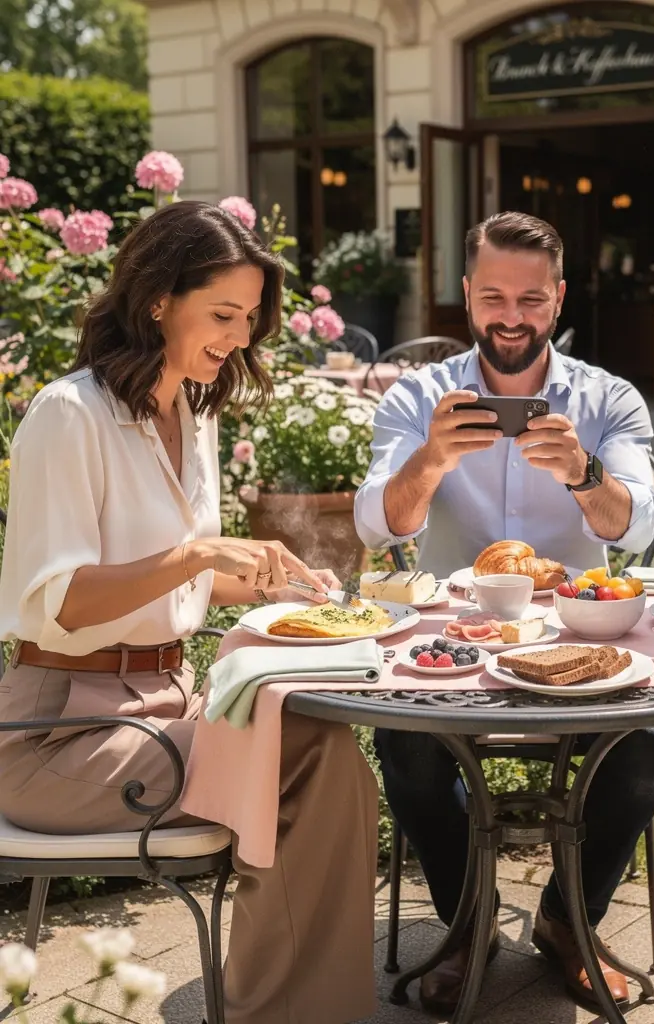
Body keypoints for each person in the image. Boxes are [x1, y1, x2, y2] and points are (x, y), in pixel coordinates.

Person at [0, 201, 379, 1024]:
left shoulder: (188, 411)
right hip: (57, 735)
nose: (239, 337)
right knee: (308, 758)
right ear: (156, 300)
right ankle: (286, 1012)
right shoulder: (69, 417)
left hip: (159, 708)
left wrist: (267, 579)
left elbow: (175, 589)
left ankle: (298, 1005)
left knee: (320, 739)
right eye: (223, 314)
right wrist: (203, 554)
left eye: (249, 318)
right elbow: (59, 605)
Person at [354, 211, 654, 1012]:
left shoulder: (608, 398)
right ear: (466, 295)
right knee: (406, 740)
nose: (510, 317)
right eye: (493, 296)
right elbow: (375, 522)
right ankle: (469, 919)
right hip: (449, 650)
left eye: (531, 299)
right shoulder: (421, 394)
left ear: (559, 298)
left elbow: (636, 522)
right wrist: (431, 460)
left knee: (646, 742)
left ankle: (569, 923)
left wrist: (583, 471)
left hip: (579, 644)